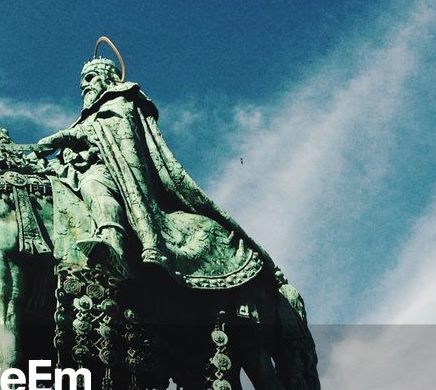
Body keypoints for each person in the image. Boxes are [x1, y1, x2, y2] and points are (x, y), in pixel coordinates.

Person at [36, 53, 265, 290]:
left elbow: (106, 131)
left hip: (114, 172)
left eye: (91, 77)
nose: (85, 85)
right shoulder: (84, 118)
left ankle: (114, 245)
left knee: (93, 184)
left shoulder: (120, 101)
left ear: (108, 77)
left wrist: (61, 138)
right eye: (83, 80)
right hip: (78, 170)